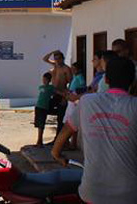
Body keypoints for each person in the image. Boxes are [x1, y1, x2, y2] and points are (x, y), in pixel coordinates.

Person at [51, 57, 137, 204]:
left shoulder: (87, 102)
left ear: (107, 80)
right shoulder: (133, 106)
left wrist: (56, 154)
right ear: (133, 81)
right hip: (129, 195)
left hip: (91, 193)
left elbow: (64, 133)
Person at [43, 50, 73, 135]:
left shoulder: (66, 69)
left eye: (59, 58)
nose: (57, 60)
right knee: (45, 109)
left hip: (62, 94)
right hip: (54, 93)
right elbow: (45, 59)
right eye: (56, 59)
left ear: (63, 58)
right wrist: (52, 52)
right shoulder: (55, 65)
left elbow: (70, 83)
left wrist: (65, 97)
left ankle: (58, 137)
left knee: (60, 118)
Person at [63, 62, 86, 149]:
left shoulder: (80, 77)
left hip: (74, 99)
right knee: (68, 119)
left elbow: (82, 86)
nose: (72, 70)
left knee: (73, 121)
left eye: (74, 69)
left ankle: (73, 143)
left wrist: (74, 92)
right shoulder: (75, 77)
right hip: (71, 99)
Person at [34, 72, 54, 147]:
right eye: (43, 79)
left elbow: (56, 93)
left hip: (44, 107)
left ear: (49, 80)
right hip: (38, 106)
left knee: (41, 124)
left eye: (45, 79)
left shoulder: (51, 88)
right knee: (38, 124)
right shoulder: (41, 87)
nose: (44, 81)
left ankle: (40, 141)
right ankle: (39, 141)